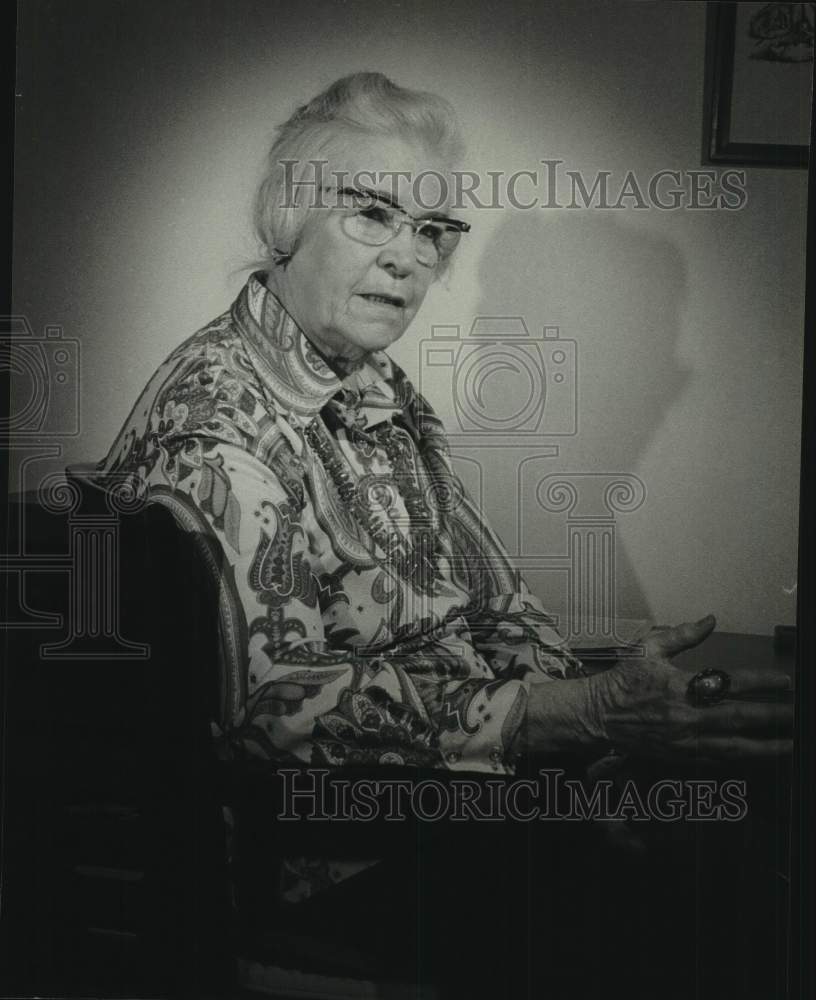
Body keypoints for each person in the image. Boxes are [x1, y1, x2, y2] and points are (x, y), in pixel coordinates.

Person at [98, 72, 793, 998]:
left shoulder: (373, 388)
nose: (408, 257)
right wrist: (573, 724)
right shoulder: (220, 426)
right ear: (286, 221)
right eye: (372, 215)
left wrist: (603, 743)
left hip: (454, 797)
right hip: (326, 848)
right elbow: (274, 715)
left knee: (744, 799)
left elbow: (496, 605)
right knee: (690, 883)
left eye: (430, 230)